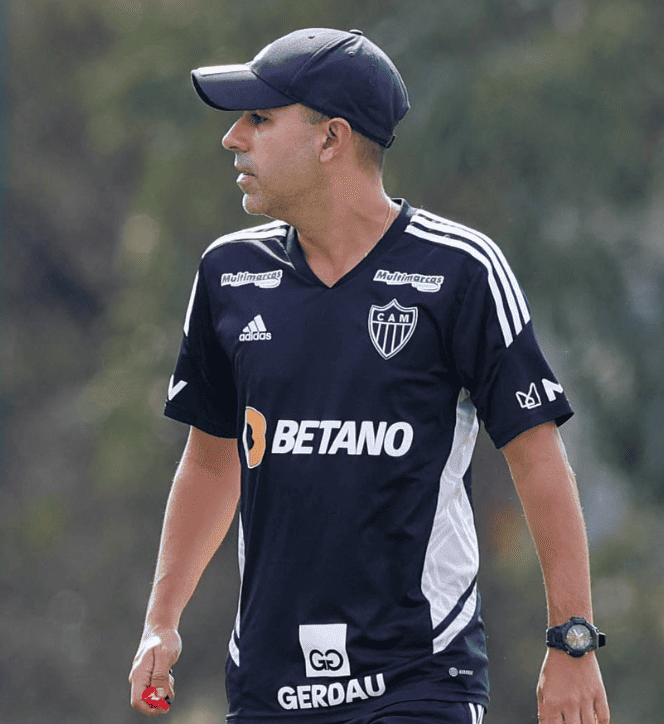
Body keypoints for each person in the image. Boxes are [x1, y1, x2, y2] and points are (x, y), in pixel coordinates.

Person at [128, 27, 610, 724]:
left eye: (260, 119)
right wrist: (162, 619)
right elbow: (210, 461)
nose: (233, 138)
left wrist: (572, 642)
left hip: (420, 681)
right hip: (269, 687)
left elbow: (538, 460)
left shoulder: (463, 271)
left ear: (332, 139)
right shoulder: (227, 275)